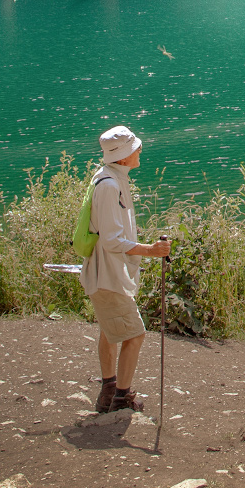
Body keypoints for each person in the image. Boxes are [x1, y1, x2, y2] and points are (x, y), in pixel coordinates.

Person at [80, 125, 170, 413]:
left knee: (110, 330)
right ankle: (120, 398)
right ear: (124, 156)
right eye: (136, 148)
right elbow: (111, 240)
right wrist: (151, 251)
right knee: (134, 334)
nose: (140, 151)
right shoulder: (108, 186)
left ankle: (109, 392)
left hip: (109, 274)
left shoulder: (110, 178)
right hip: (108, 276)